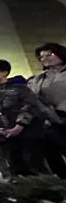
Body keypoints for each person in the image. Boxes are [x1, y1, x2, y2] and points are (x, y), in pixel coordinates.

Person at [0, 59, 49, 177]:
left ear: (4, 72)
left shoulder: (20, 88)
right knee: (15, 167)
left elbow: (30, 107)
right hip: (4, 137)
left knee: (35, 165)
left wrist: (20, 125)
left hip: (28, 133)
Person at [30, 43, 66, 178]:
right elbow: (33, 98)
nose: (45, 58)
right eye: (41, 57)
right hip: (52, 120)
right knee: (52, 152)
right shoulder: (39, 78)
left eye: (49, 54)